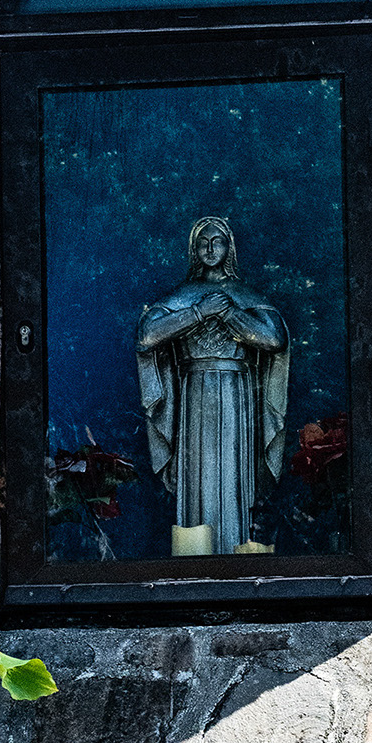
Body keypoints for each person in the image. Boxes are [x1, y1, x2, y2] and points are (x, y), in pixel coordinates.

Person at [135, 217, 290, 556]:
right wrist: (199, 311)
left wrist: (231, 313)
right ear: (194, 248)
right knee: (196, 476)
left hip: (237, 395)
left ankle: (236, 553)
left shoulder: (244, 295)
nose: (209, 248)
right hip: (195, 395)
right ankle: (197, 559)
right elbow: (148, 336)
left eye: (217, 240)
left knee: (233, 477)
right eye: (203, 241)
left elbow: (275, 339)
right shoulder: (184, 296)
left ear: (228, 247)